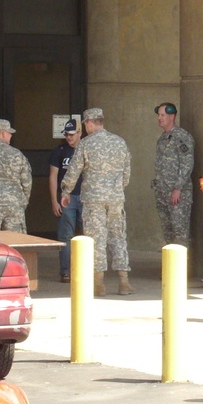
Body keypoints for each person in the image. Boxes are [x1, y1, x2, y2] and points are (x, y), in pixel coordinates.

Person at [61, 108, 133, 296]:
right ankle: (124, 281)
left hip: (93, 199)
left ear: (90, 123)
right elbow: (127, 174)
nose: (85, 127)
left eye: (85, 124)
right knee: (118, 236)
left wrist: (66, 190)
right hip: (116, 198)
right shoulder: (120, 142)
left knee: (96, 239)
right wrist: (116, 189)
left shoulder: (85, 144)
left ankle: (99, 283)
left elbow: (74, 170)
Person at [152, 102, 195, 247]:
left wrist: (178, 188)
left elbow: (187, 163)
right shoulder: (163, 138)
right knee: (168, 232)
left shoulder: (181, 136)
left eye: (163, 115)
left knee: (180, 232)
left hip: (177, 194)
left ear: (172, 116)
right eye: (158, 115)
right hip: (163, 192)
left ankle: (182, 269)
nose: (159, 118)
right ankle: (171, 267)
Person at [49, 119, 83, 283]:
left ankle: (86, 270)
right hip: (66, 198)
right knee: (65, 236)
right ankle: (66, 271)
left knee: (87, 236)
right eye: (66, 134)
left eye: (71, 134)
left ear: (79, 133)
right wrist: (54, 200)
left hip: (86, 197)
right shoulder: (60, 151)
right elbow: (53, 176)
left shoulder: (86, 149)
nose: (68, 137)